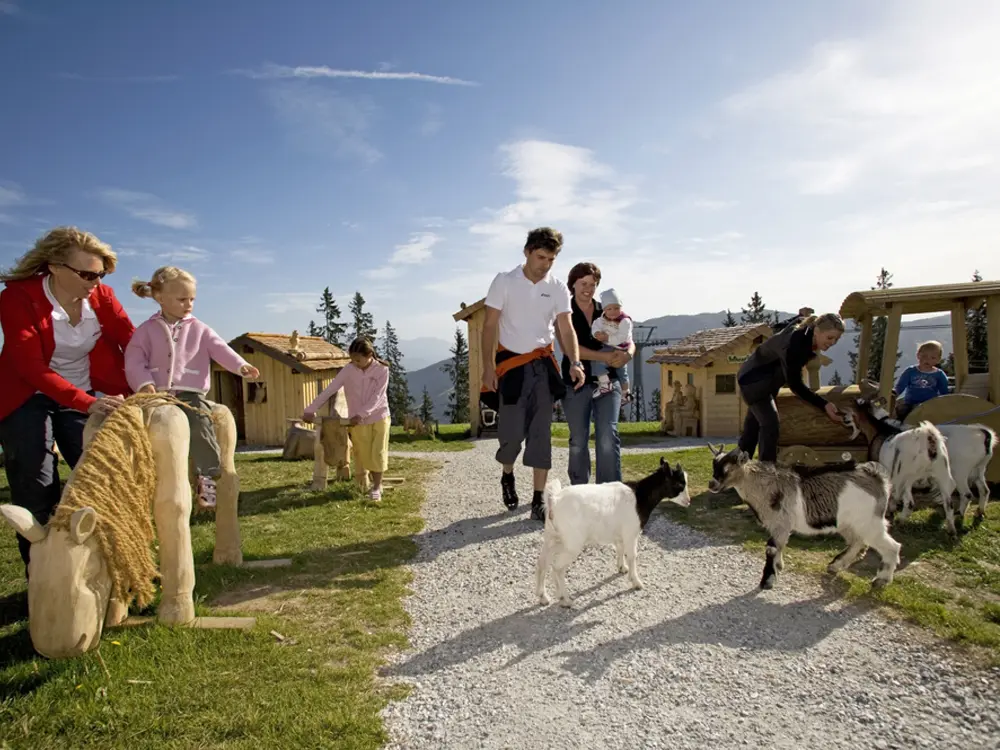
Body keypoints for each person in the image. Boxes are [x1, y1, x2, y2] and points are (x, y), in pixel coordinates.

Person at [0, 226, 134, 568]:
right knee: (36, 487)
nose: (95, 281)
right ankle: (45, 583)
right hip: (27, 395)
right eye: (87, 273)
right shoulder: (17, 297)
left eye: (100, 273)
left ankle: (109, 572)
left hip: (84, 393)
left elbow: (132, 342)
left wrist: (147, 381)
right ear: (56, 267)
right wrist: (88, 403)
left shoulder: (102, 296)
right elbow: (30, 366)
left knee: (98, 478)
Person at [125, 266, 260, 509]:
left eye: (192, 299)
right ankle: (134, 480)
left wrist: (241, 366)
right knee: (134, 426)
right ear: (160, 298)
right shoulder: (146, 330)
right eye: (182, 299)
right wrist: (144, 383)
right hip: (155, 393)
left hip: (189, 391)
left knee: (200, 421)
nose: (189, 304)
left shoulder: (199, 328)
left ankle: (206, 475)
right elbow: (134, 358)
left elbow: (220, 349)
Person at [482, 227, 586, 521]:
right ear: (527, 252)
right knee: (512, 436)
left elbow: (566, 327)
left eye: (551, 259)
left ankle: (539, 499)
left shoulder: (556, 287)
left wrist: (575, 362)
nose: (545, 264)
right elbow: (489, 325)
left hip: (542, 365)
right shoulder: (504, 281)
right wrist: (488, 367)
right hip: (511, 365)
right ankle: (507, 473)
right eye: (541, 257)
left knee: (541, 433)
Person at [560, 263, 634, 485]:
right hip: (575, 383)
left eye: (593, 284)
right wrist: (604, 357)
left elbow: (629, 339)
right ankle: (580, 491)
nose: (588, 289)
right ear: (573, 284)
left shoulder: (608, 310)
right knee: (579, 441)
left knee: (607, 437)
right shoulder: (564, 312)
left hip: (609, 382)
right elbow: (568, 347)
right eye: (583, 284)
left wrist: (628, 354)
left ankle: (611, 491)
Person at [736, 312, 846, 463]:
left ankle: (732, 474)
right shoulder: (797, 344)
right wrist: (824, 404)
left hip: (767, 381)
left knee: (751, 431)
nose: (833, 342)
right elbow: (795, 384)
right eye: (830, 337)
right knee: (770, 425)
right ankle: (766, 474)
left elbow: (790, 323)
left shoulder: (806, 329)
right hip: (753, 381)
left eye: (837, 339)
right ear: (817, 331)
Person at [302, 337, 391, 501]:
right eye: (352, 360)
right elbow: (330, 390)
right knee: (364, 454)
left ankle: (377, 487)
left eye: (358, 359)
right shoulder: (348, 370)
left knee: (377, 452)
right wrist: (310, 409)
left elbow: (378, 396)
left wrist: (362, 414)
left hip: (379, 416)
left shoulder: (382, 370)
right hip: (357, 422)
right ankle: (372, 482)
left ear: (369, 354)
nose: (355, 363)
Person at [589, 287, 634, 401]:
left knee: (622, 372)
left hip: (621, 348)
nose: (613, 311)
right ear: (605, 309)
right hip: (608, 346)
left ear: (621, 307)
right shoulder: (602, 319)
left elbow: (622, 337)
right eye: (609, 309)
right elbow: (595, 326)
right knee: (598, 361)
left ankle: (626, 392)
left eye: (616, 308)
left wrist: (607, 338)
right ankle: (605, 383)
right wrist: (596, 334)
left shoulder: (624, 321)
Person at [892, 340, 950, 421]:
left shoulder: (939, 374)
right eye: (924, 356)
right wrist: (893, 395)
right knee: (901, 412)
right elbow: (900, 387)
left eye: (932, 358)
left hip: (930, 404)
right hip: (910, 403)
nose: (927, 360)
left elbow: (944, 391)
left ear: (938, 360)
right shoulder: (911, 371)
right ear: (918, 355)